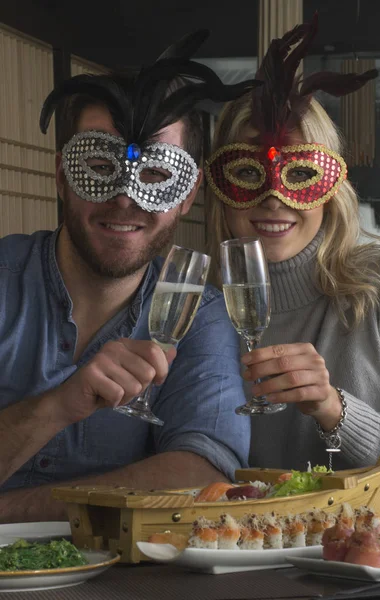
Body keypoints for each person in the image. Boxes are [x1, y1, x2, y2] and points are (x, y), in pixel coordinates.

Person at [0, 31, 259, 523]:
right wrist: (56, 407)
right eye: (99, 166)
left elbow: (203, 474)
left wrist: (13, 511)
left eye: (158, 176)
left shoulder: (199, 314)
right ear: (61, 175)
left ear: (188, 194)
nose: (125, 197)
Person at [206, 17, 380, 502]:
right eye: (249, 173)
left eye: (298, 174)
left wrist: (336, 409)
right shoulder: (200, 303)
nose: (274, 199)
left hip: (359, 565)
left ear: (331, 189)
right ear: (219, 189)